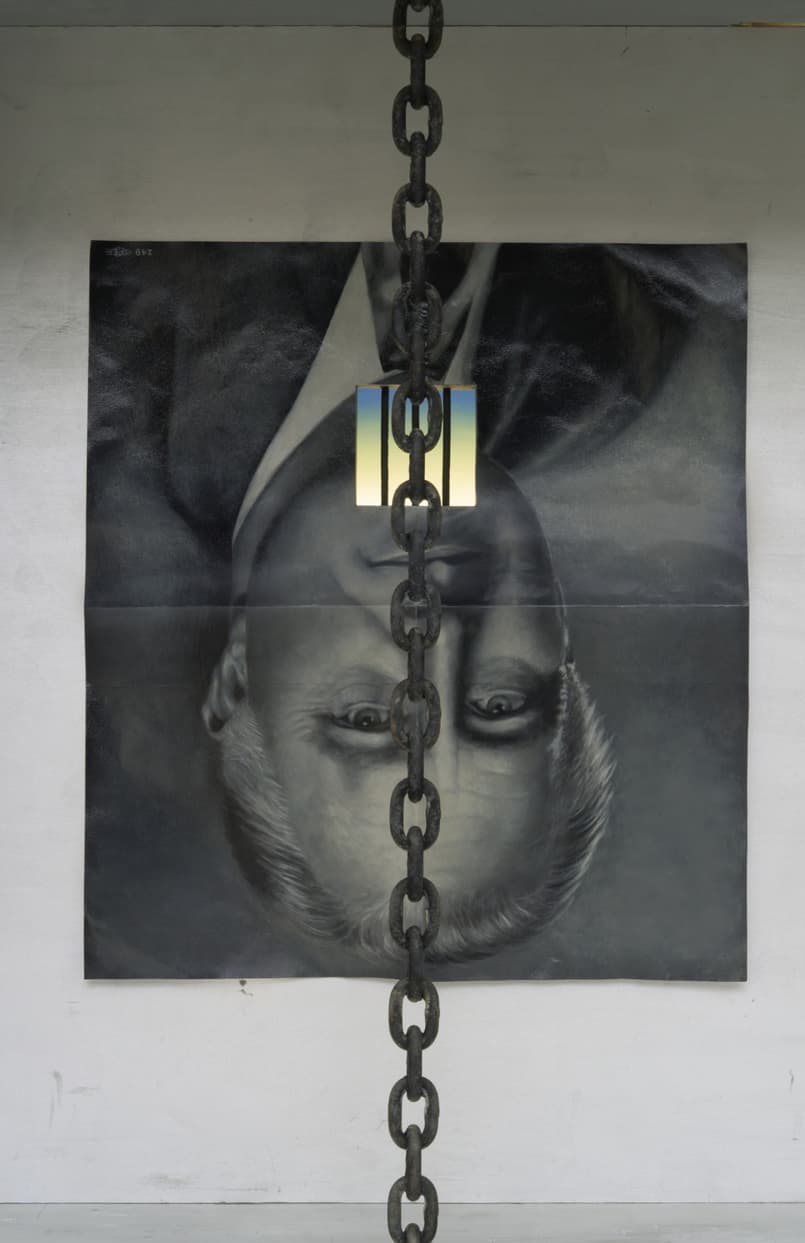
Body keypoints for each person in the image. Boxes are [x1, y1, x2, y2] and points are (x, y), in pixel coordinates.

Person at [201, 245, 614, 973]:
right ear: (561, 642)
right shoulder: (612, 363)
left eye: (365, 719)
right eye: (499, 703)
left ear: (238, 679)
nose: (437, 633)